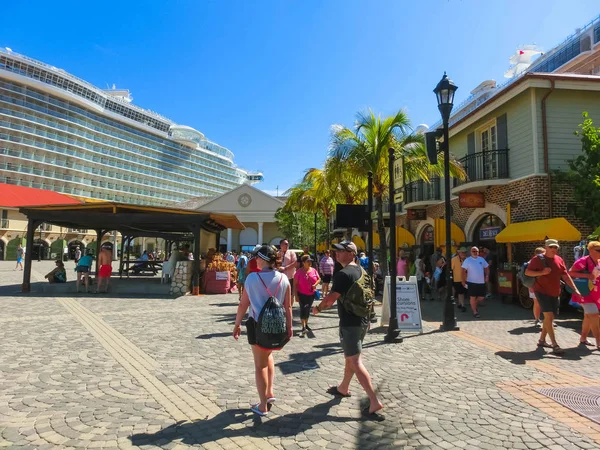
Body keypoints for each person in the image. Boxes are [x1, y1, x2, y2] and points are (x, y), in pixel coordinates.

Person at [312, 240, 384, 421]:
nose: (337, 254)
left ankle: (374, 401)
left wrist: (318, 309)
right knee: (350, 357)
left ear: (351, 253)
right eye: (336, 251)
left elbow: (330, 299)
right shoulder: (362, 271)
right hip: (361, 320)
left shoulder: (343, 274)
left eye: (341, 251)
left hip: (350, 323)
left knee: (355, 361)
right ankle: (343, 388)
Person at [233, 245, 292, 416]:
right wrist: (289, 328)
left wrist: (237, 324)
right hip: (277, 327)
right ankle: (269, 393)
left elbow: (243, 304)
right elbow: (288, 306)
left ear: (263, 259)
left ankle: (262, 406)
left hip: (257, 326)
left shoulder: (252, 279)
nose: (255, 260)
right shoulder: (283, 278)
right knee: (268, 355)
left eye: (257, 258)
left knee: (260, 366)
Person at [526, 239, 580, 355]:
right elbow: (528, 273)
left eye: (555, 247)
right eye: (551, 247)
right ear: (545, 247)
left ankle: (541, 340)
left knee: (549, 318)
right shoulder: (537, 259)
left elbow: (565, 276)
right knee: (549, 316)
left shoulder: (559, 259)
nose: (553, 249)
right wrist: (542, 272)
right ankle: (555, 345)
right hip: (541, 291)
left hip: (555, 292)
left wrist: (575, 289)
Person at [569, 241, 600, 349]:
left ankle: (583, 338)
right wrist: (587, 276)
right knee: (594, 316)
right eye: (598, 250)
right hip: (585, 292)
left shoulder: (599, 261)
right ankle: (599, 342)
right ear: (591, 251)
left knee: (588, 316)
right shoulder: (583, 261)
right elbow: (570, 273)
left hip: (596, 293)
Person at [294, 254, 321, 337]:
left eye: (310, 261)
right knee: (303, 309)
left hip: (311, 294)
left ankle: (306, 324)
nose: (310, 263)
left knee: (308, 308)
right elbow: (295, 284)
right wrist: (296, 295)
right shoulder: (299, 272)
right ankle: (303, 326)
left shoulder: (313, 270)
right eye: (308, 261)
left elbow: (319, 279)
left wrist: (315, 285)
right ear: (303, 262)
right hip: (302, 294)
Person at [461, 247, 489, 318]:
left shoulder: (481, 259)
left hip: (481, 282)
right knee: (472, 297)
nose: (475, 252)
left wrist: (487, 276)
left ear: (478, 252)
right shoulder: (468, 260)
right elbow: (463, 271)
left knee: (481, 297)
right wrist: (463, 281)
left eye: (476, 251)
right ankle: (475, 312)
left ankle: (474, 305)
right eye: (473, 251)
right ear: (471, 252)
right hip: (471, 282)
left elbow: (486, 268)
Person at [278, 239, 297, 305]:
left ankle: (289, 307)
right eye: (285, 244)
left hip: (290, 277)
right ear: (281, 245)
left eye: (287, 244)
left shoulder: (291, 252)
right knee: (281, 293)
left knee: (291, 293)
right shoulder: (278, 253)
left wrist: (285, 268)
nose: (287, 245)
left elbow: (295, 263)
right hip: (280, 277)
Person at [530, 247, 546, 328]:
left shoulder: (546, 262)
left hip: (544, 286)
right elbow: (529, 275)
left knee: (546, 303)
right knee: (537, 303)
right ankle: (537, 319)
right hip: (534, 286)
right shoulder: (531, 262)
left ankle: (548, 320)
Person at [452, 247, 468, 312]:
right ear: (459, 252)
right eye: (462, 252)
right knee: (461, 292)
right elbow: (450, 269)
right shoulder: (454, 260)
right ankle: (463, 305)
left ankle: (459, 303)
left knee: (462, 292)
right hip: (458, 279)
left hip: (466, 279)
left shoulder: (467, 260)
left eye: (464, 252)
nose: (463, 253)